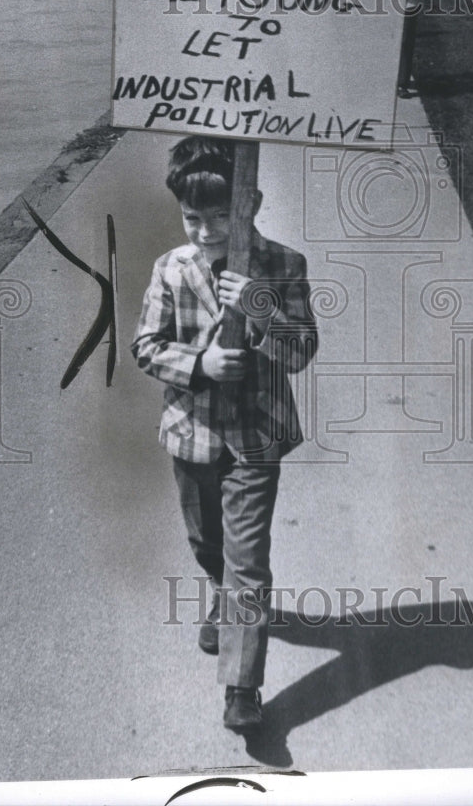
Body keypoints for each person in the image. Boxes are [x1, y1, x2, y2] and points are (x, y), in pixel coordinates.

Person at [131, 136, 318, 734]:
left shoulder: (284, 265)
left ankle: (242, 687)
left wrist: (262, 315)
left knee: (247, 562)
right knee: (206, 543)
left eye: (219, 216)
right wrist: (199, 366)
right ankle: (218, 590)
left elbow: (301, 352)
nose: (206, 231)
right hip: (192, 434)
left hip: (256, 439)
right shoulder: (171, 268)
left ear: (252, 203)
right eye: (193, 217)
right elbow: (145, 347)